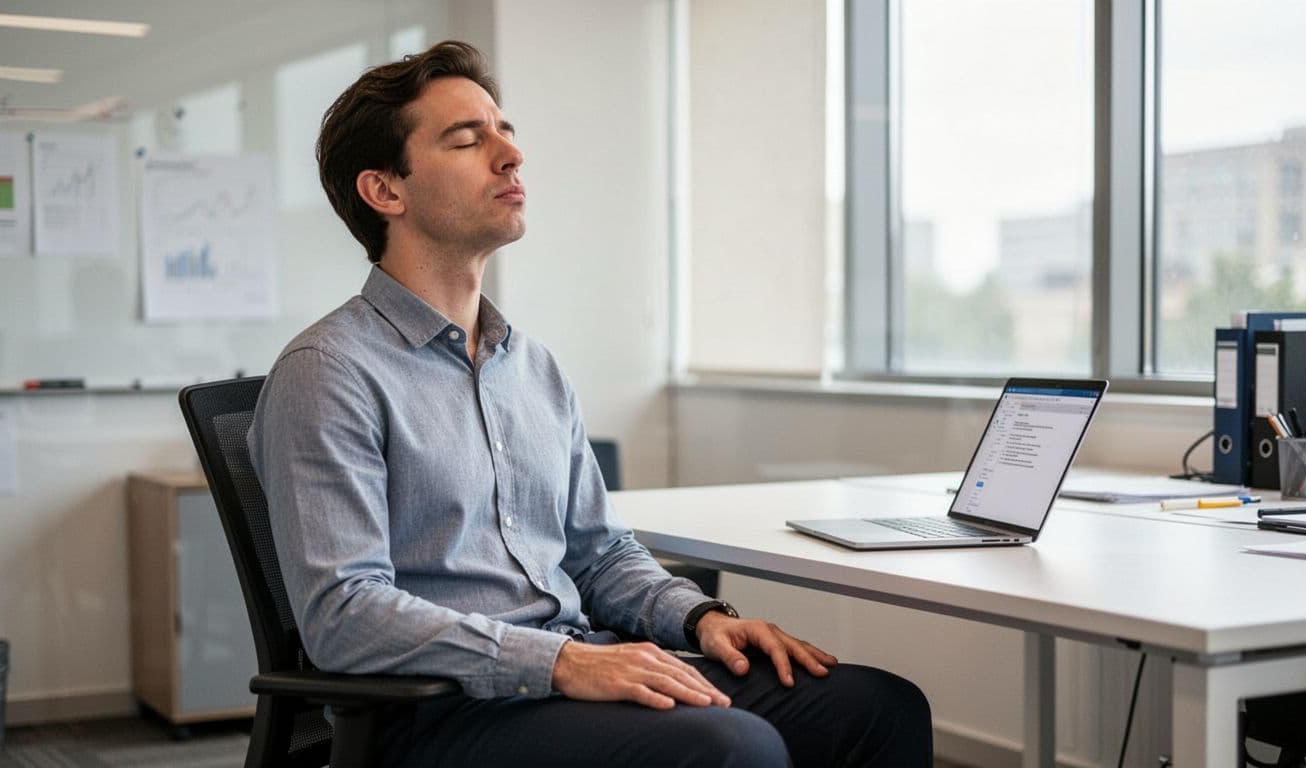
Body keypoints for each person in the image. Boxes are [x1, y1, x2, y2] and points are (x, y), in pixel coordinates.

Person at [248, 40, 932, 767]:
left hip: (576, 671)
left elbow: (599, 555)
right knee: (732, 747)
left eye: (505, 132)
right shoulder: (328, 371)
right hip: (438, 711)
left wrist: (698, 618)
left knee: (877, 709)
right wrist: (560, 664)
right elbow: (344, 616)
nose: (510, 156)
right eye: (467, 139)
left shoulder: (530, 367)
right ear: (386, 190)